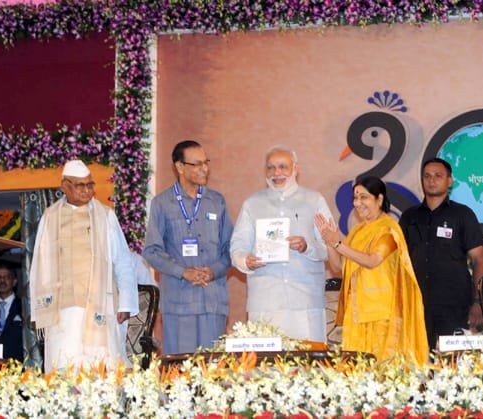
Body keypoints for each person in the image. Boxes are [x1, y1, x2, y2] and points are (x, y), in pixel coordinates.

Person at [29, 159, 138, 370]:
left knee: (99, 371)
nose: (87, 191)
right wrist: (37, 311)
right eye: (80, 185)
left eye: (90, 185)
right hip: (62, 311)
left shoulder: (106, 216)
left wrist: (125, 303)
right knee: (64, 372)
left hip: (99, 306)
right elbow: (38, 268)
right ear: (64, 186)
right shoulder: (50, 217)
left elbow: (122, 261)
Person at [315, 176, 428, 364]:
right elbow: (337, 268)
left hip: (382, 313)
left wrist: (337, 242)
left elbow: (372, 261)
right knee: (358, 371)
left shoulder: (389, 229)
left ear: (380, 199)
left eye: (364, 197)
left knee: (381, 371)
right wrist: (328, 243)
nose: (357, 203)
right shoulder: (357, 231)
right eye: (355, 198)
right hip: (357, 312)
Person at [230, 145, 331, 342]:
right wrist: (245, 260)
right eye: (271, 168)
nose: (277, 173)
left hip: (305, 299)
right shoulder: (252, 204)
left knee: (308, 366)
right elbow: (237, 245)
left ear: (296, 169)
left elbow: (329, 249)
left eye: (283, 167)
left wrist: (307, 247)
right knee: (266, 368)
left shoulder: (315, 200)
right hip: (265, 299)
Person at [143, 140, 233, 354]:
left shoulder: (216, 202)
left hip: (213, 301)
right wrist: (184, 272)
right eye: (197, 164)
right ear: (180, 167)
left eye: (206, 162)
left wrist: (213, 271)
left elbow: (231, 248)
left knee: (213, 372)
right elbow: (151, 251)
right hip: (179, 302)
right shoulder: (162, 203)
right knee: (180, 373)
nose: (205, 168)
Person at [399, 158, 483, 348]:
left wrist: (479, 302)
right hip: (416, 305)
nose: (432, 180)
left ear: (450, 181)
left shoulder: (463, 215)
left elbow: (478, 261)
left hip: (455, 306)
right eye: (427, 176)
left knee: (454, 366)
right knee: (419, 369)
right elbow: (398, 263)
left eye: (438, 176)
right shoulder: (409, 217)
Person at [0, 264, 24, 362]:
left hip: (17, 367)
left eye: (7, 277)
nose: (2, 281)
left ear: (14, 282)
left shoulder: (24, 307)